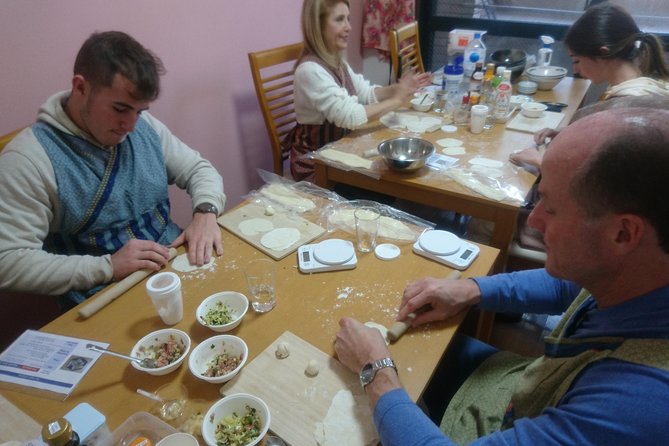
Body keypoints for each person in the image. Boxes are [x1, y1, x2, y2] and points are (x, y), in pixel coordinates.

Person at [335, 106, 669, 445]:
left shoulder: (639, 404)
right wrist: (471, 289)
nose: (534, 221)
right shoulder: (641, 273)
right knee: (419, 351)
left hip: (525, 413)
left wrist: (374, 371)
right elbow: (569, 287)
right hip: (522, 390)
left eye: (550, 208)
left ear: (624, 234)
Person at [0, 31, 226, 309]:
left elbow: (198, 169)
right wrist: (108, 266)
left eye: (139, 111)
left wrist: (206, 212)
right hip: (101, 294)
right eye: (120, 109)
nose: (130, 126)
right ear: (80, 88)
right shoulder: (29, 158)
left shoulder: (145, 128)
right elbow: (8, 261)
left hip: (171, 264)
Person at [510, 1, 669, 171]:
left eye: (576, 60)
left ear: (603, 52)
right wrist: (569, 133)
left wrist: (537, 160)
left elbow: (594, 183)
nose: (575, 69)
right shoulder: (642, 84)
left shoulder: (628, 107)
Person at [285, 0, 431, 182]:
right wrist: (396, 101)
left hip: (338, 150)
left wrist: (399, 89)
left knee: (390, 179)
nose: (349, 27)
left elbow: (366, 93)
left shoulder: (336, 61)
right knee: (387, 185)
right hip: (315, 164)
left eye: (348, 18)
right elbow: (351, 117)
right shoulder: (310, 71)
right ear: (318, 26)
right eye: (339, 20)